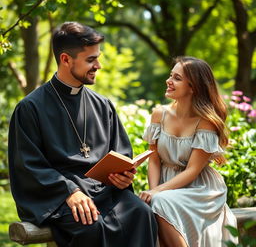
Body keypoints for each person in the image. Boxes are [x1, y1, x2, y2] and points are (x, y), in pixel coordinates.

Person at [8, 21, 157, 247]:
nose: (98, 65)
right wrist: (70, 192)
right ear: (66, 59)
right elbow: (28, 166)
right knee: (91, 225)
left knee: (141, 213)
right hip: (60, 196)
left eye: (97, 57)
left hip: (104, 191)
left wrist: (123, 176)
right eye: (91, 60)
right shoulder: (30, 108)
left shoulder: (102, 105)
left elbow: (120, 153)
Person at [139, 56, 238, 247]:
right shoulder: (159, 114)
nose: (169, 81)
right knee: (154, 203)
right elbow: (154, 159)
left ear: (193, 87)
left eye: (177, 78)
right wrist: (153, 190)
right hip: (164, 184)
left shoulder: (206, 122)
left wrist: (156, 193)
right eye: (170, 75)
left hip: (199, 188)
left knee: (159, 202)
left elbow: (193, 170)